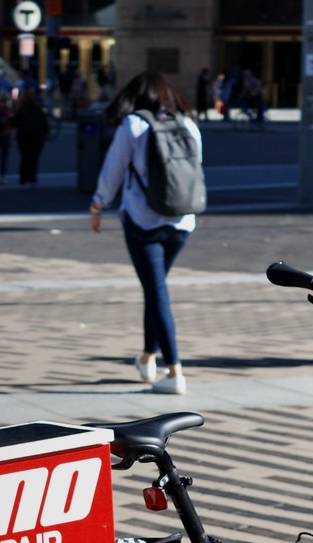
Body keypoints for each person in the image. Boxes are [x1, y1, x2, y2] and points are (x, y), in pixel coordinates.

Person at [88, 71, 203, 395]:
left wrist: (97, 206)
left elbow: (112, 171)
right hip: (182, 220)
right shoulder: (188, 124)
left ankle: (174, 370)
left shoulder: (134, 125)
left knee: (156, 292)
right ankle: (147, 358)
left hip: (143, 220)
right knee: (156, 290)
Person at [14, 88, 51, 186]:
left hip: (24, 136)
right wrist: (46, 132)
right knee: (34, 157)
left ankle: (24, 177)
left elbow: (15, 122)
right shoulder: (38, 108)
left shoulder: (21, 108)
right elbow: (44, 123)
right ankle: (32, 176)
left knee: (25, 157)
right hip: (36, 136)